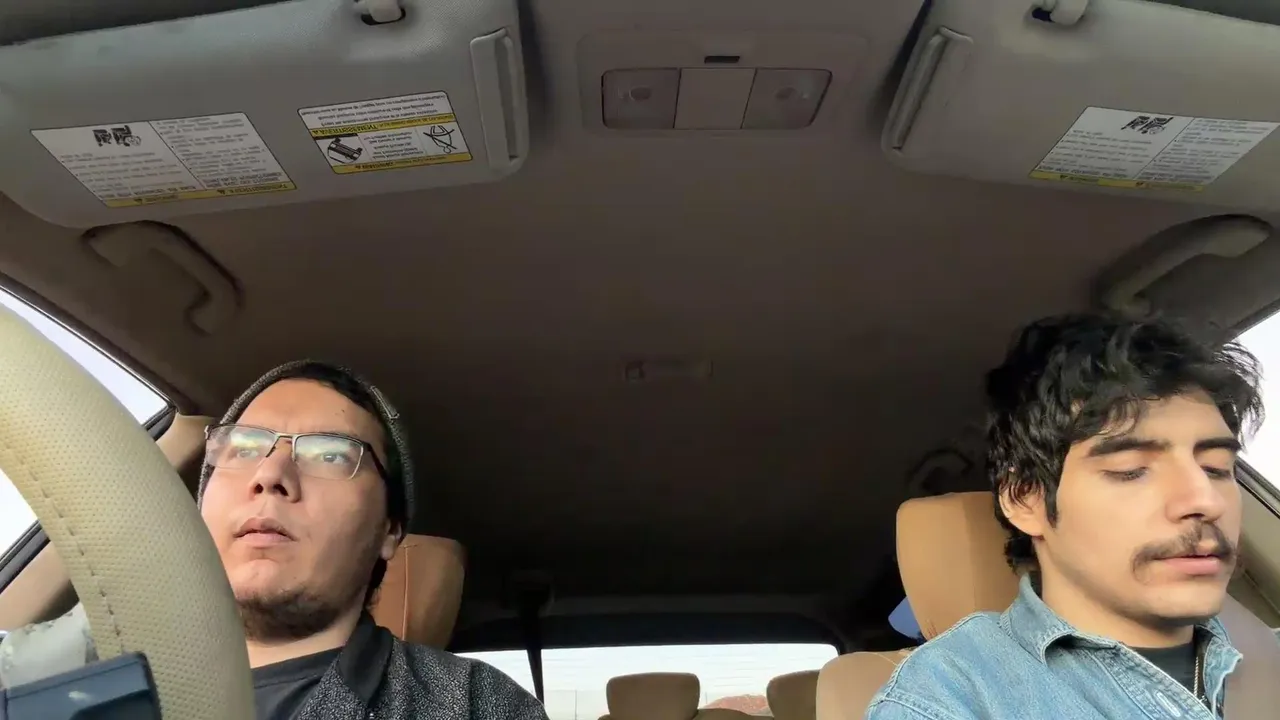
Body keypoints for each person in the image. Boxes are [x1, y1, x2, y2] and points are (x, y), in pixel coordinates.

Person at [866, 313, 1278, 719]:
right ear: (1025, 499)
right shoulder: (949, 700)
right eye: (1131, 470)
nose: (1206, 500)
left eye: (1216, 468)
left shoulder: (1265, 651)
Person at [195, 360, 547, 720]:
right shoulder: (155, 671)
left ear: (389, 530)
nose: (269, 474)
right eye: (243, 448)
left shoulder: (474, 705)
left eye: (330, 455)